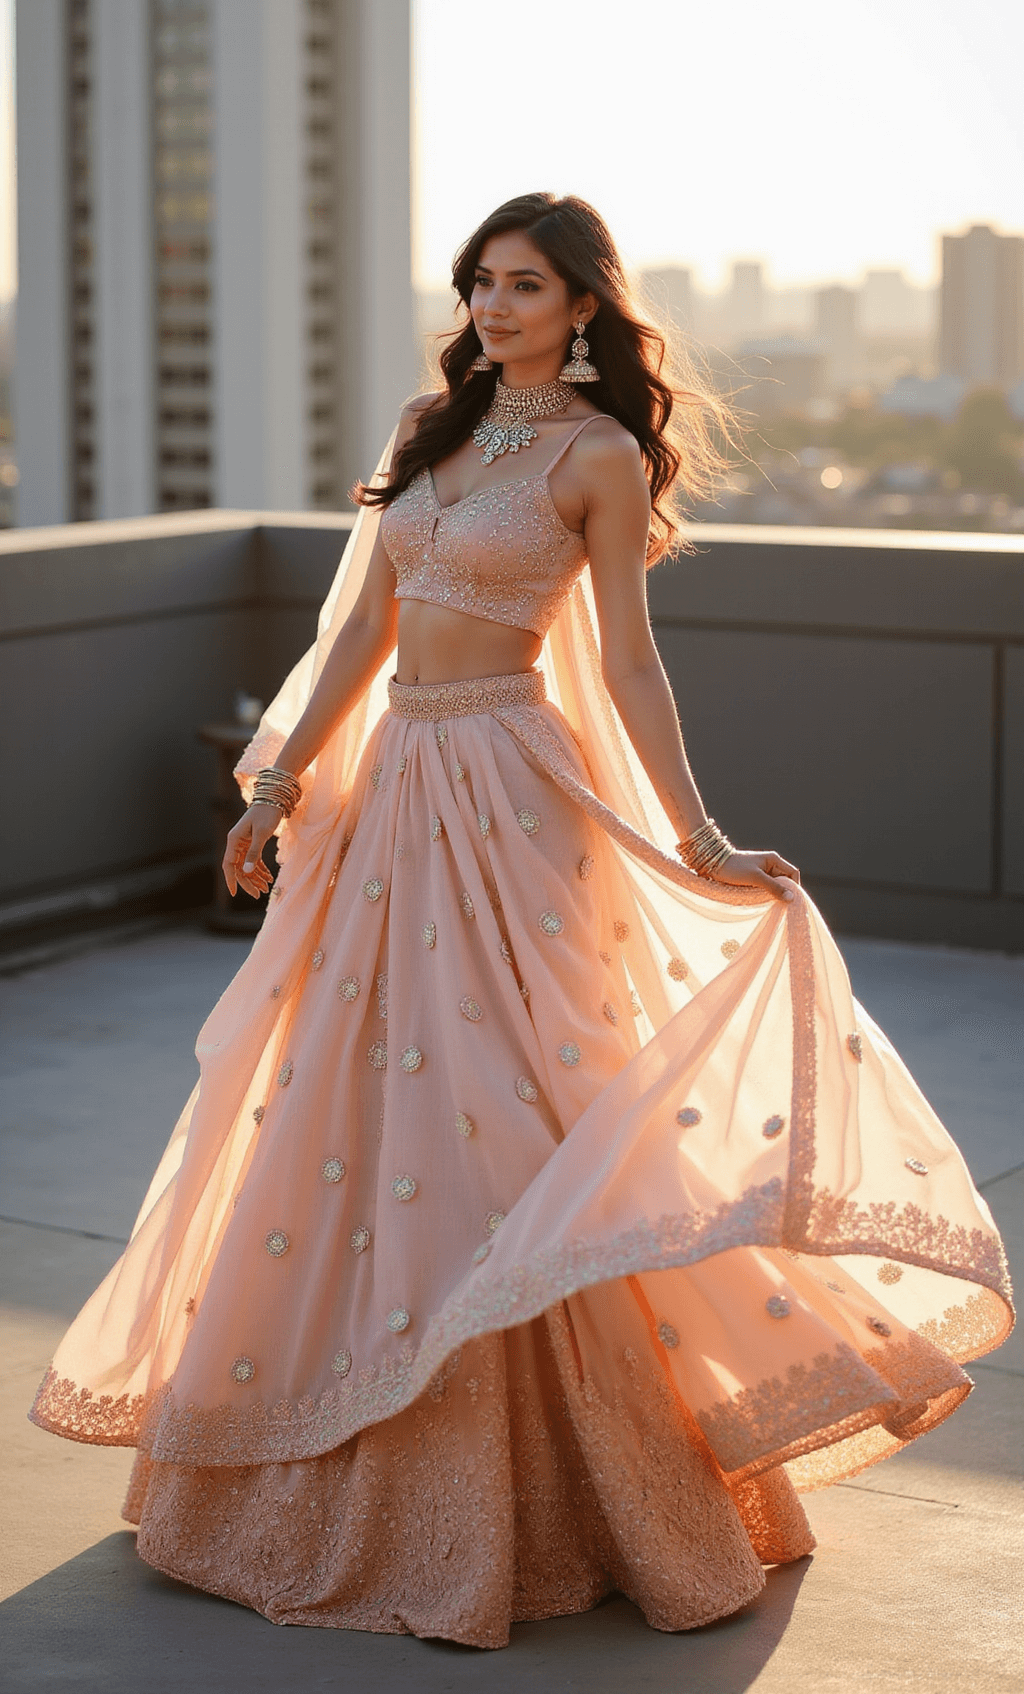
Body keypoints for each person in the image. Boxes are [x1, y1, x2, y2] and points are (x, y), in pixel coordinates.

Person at [32, 193, 1012, 1649]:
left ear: (583, 305)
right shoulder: (429, 429)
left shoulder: (598, 456)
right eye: (481, 282)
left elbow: (625, 667)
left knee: (517, 1107)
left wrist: (699, 838)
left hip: (509, 791)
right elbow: (361, 628)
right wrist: (279, 782)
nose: (494, 307)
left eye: (526, 285)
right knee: (353, 1099)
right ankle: (338, 1441)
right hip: (390, 791)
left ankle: (580, 1488)